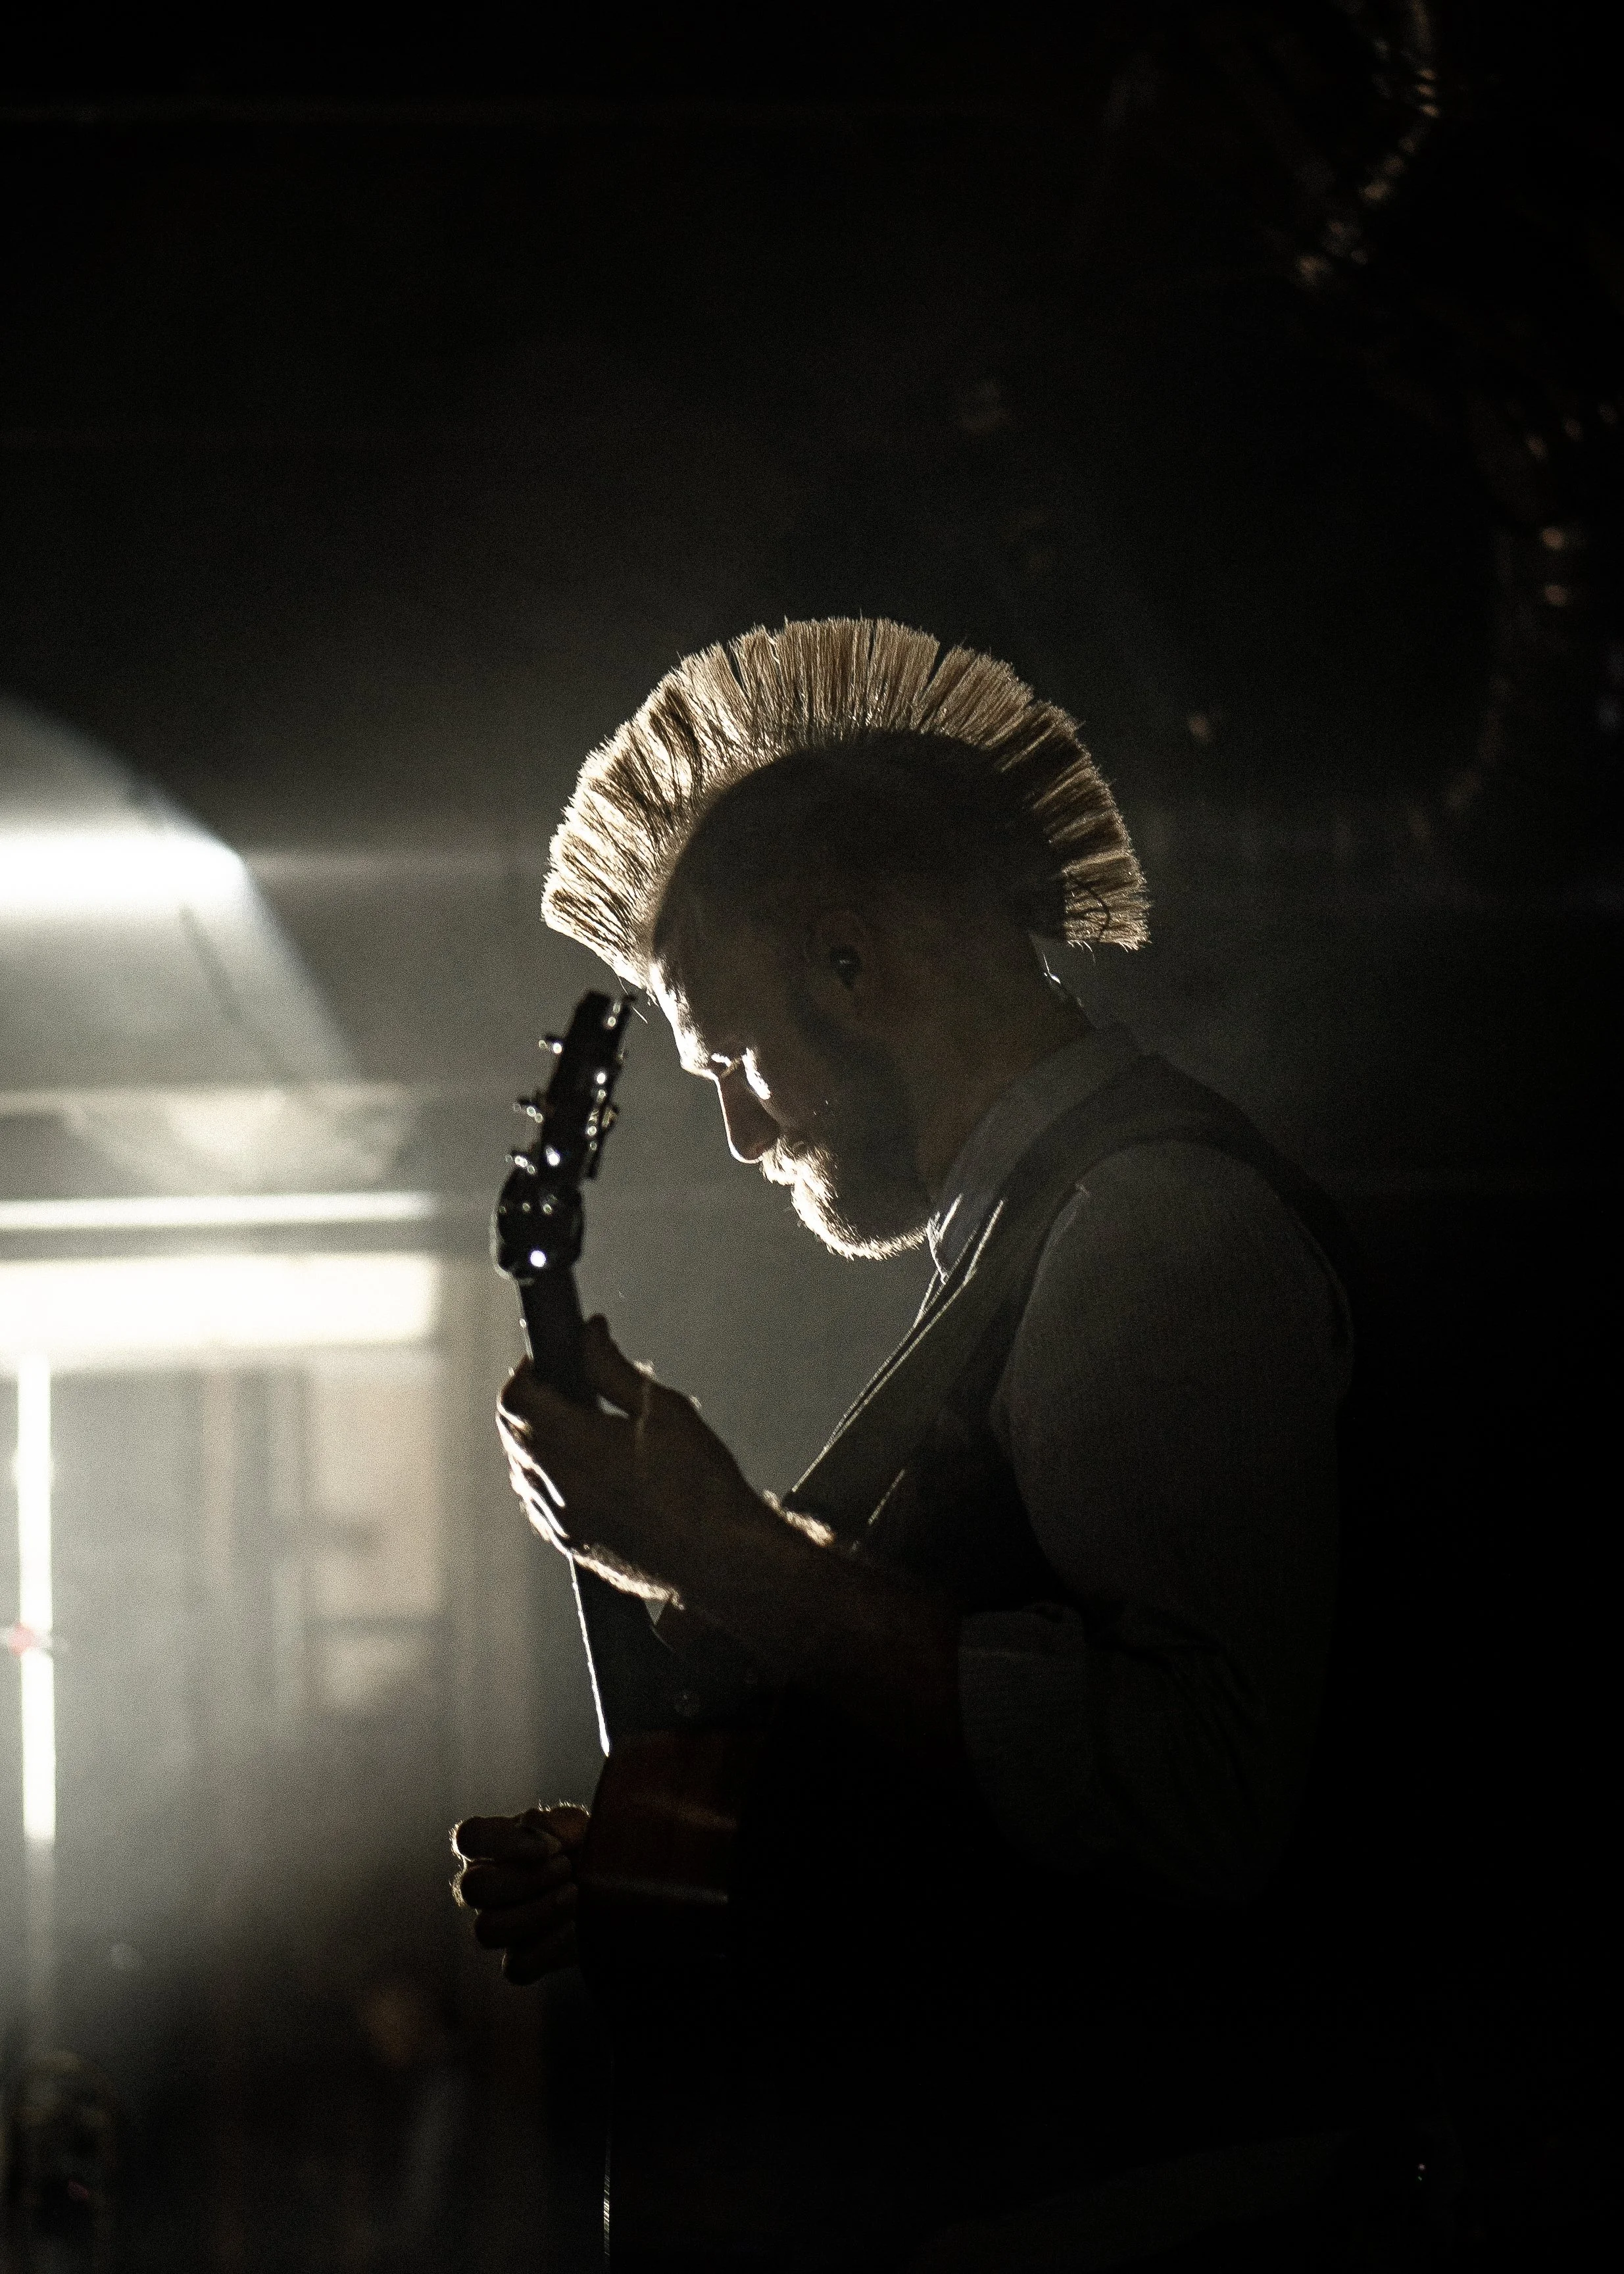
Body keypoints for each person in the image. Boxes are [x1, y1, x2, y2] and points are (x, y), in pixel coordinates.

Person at [452, 619, 1404, 2270]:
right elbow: (967, 1729)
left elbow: (1199, 1795)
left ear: (855, 965)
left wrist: (727, 1553)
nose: (744, 1133)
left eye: (735, 1058)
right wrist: (690, 1845)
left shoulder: (1152, 1233)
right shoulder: (1037, 1239)